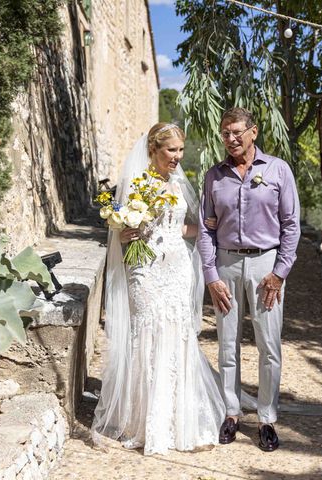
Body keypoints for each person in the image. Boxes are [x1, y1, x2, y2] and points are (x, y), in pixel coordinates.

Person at [91, 123, 225, 456]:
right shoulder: (136, 184)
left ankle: (178, 422)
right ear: (154, 149)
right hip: (145, 270)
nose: (177, 157)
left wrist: (214, 226)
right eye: (171, 150)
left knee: (177, 334)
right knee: (148, 334)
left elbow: (180, 227)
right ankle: (144, 421)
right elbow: (121, 233)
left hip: (177, 268)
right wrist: (125, 234)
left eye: (181, 150)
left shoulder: (178, 184)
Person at [198, 107, 301, 452]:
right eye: (225, 133)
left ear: (253, 132)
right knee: (227, 343)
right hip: (226, 265)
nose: (231, 139)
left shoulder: (277, 170)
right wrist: (211, 276)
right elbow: (205, 229)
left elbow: (291, 226)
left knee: (268, 346)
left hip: (265, 268)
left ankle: (267, 418)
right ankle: (231, 413)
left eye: (237, 132)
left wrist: (279, 273)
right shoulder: (214, 176)